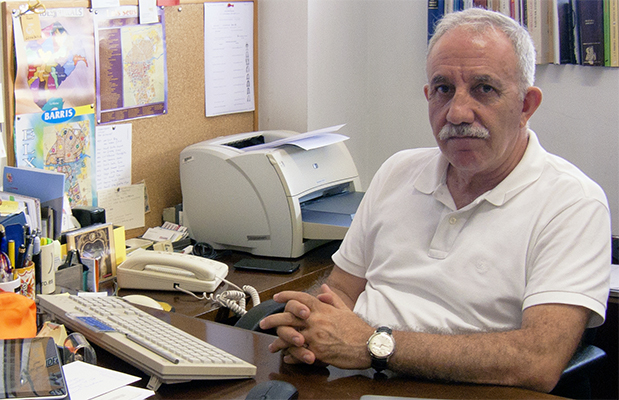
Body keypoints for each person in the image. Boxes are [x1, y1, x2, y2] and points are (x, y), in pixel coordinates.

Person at [259, 7, 611, 394]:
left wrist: (373, 344)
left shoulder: (573, 203)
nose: (457, 112)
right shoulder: (398, 172)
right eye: (443, 89)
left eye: (484, 88)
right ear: (428, 96)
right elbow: (341, 290)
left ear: (526, 105)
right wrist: (307, 322)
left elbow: (536, 361)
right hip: (349, 382)